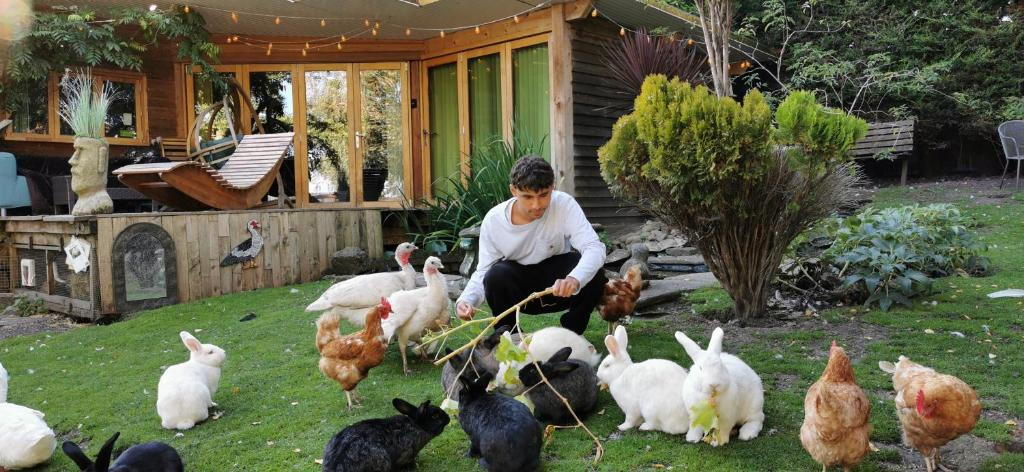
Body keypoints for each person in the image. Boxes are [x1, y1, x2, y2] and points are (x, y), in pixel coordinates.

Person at [455, 155, 606, 335]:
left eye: (543, 195)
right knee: (495, 275)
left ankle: (571, 335)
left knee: (593, 272)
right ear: (513, 191)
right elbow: (483, 271)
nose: (536, 205)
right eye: (527, 197)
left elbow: (594, 247)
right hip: (518, 289)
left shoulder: (564, 204)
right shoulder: (494, 220)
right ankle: (509, 338)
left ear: (553, 186)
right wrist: (466, 300)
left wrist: (574, 279)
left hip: (559, 287)